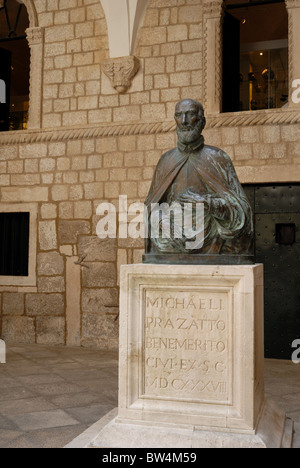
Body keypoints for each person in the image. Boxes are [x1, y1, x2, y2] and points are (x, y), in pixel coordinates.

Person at [144, 99, 254, 263]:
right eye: (179, 115)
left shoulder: (217, 158)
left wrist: (208, 203)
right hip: (171, 239)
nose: (184, 121)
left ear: (202, 121)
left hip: (210, 240)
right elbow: (152, 205)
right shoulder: (166, 161)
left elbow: (241, 210)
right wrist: (163, 221)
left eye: (190, 115)